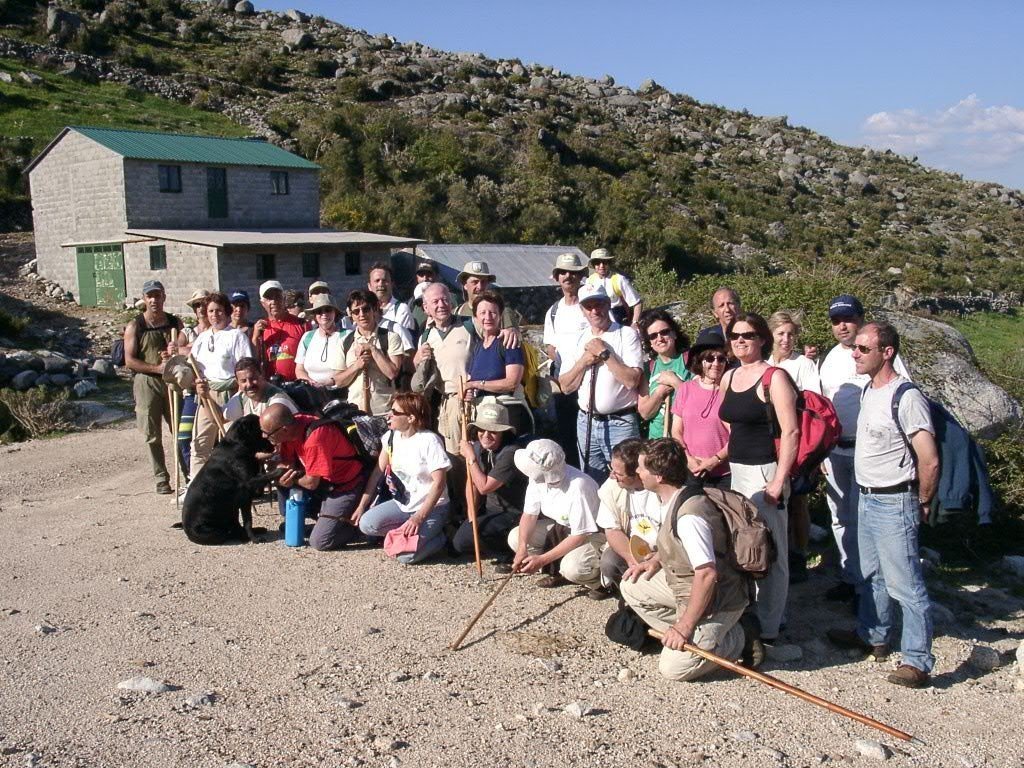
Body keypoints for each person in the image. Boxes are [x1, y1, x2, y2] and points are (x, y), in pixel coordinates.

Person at [826, 321, 938, 689]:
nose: (854, 353)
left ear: (886, 352)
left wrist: (922, 501)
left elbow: (929, 458)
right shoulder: (868, 391)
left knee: (905, 582)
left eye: (862, 349)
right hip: (867, 496)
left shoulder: (906, 397)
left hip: (894, 499)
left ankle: (917, 660)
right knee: (870, 575)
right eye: (854, 347)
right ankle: (873, 635)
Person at [621, 438, 752, 681]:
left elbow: (707, 573)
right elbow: (682, 546)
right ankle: (695, 634)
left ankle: (734, 639)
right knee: (632, 584)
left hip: (717, 600)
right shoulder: (675, 498)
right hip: (683, 587)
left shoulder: (689, 517)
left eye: (641, 467)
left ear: (658, 476)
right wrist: (658, 559)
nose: (637, 472)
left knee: (673, 669)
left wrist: (684, 627)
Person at [818, 294, 911, 603]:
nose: (842, 326)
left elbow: (902, 399)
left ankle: (873, 588)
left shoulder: (883, 356)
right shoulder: (830, 358)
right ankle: (851, 577)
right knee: (840, 517)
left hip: (870, 453)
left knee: (867, 521)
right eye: (835, 321)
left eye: (847, 319)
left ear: (860, 318)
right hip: (835, 450)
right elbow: (822, 406)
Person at [718, 312, 799, 643]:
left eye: (748, 335)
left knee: (773, 551)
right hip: (737, 471)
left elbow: (791, 431)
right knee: (744, 546)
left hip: (766, 470)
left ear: (762, 339)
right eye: (735, 335)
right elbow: (729, 421)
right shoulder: (729, 377)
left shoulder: (774, 378)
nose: (740, 341)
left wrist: (779, 481)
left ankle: (770, 625)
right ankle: (751, 611)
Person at [557, 284, 643, 484]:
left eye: (599, 304)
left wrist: (605, 354)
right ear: (582, 310)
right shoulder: (578, 340)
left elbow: (632, 381)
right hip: (586, 422)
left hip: (620, 423)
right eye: (589, 306)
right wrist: (585, 361)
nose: (595, 311)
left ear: (608, 305)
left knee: (628, 481)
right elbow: (566, 386)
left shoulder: (626, 335)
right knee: (590, 481)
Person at [352, 392, 451, 564]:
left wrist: (419, 517)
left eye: (395, 412)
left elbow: (439, 483)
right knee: (367, 524)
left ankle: (441, 537)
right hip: (403, 503)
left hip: (431, 507)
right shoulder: (390, 437)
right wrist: (362, 505)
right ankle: (406, 536)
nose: (389, 416)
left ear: (411, 418)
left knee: (406, 557)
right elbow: (378, 472)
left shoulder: (429, 441)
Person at [259, 403, 367, 551]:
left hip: (345, 486)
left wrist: (292, 478)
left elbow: (311, 483)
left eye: (267, 433)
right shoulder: (292, 429)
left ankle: (360, 530)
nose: (264, 436)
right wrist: (282, 474)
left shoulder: (315, 438)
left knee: (320, 541)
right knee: (283, 484)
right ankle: (325, 520)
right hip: (324, 484)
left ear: (284, 429)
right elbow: (286, 464)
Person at [509, 439, 606, 595]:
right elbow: (529, 514)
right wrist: (522, 549)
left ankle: (598, 582)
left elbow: (579, 535)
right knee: (515, 537)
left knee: (573, 568)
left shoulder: (579, 486)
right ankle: (558, 570)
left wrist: (542, 559)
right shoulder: (536, 478)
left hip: (592, 534)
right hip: (560, 527)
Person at [767, 310, 822, 584]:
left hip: (796, 439)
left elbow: (814, 404)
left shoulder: (804, 365)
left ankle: (799, 553)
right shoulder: (763, 362)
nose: (786, 339)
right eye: (781, 334)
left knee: (798, 500)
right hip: (767, 440)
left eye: (791, 334)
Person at [123, 279, 187, 494]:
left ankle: (187, 474)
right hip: (146, 382)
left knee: (180, 430)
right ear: (143, 299)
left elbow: (184, 347)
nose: (153, 300)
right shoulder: (136, 325)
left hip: (173, 382)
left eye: (157, 295)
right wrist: (157, 368)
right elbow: (130, 360)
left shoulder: (174, 322)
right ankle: (161, 478)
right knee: (152, 434)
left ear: (164, 297)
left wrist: (175, 350)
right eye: (149, 296)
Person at [190, 292, 254, 479]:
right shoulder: (202, 338)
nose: (214, 315)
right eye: (210, 311)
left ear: (227, 312)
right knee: (200, 443)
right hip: (206, 394)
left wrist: (242, 394)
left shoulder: (236, 336)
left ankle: (238, 484)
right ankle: (196, 485)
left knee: (232, 443)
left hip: (231, 393)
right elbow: (193, 365)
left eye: (218, 310)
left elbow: (245, 366)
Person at [455, 399, 527, 559]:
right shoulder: (477, 448)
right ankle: (492, 543)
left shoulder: (511, 453)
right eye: (482, 429)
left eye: (493, 431)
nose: (486, 435)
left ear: (504, 432)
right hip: (491, 510)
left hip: (514, 514)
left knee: (469, 537)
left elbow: (484, 487)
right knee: (460, 541)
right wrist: (471, 513)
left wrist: (471, 458)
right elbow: (472, 482)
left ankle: (508, 554)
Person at [595, 438, 664, 592]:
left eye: (618, 473)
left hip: (663, 551)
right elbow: (612, 530)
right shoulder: (611, 488)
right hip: (635, 550)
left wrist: (658, 557)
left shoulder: (662, 489)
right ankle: (629, 597)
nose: (612, 475)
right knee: (609, 562)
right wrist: (632, 560)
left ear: (637, 474)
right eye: (611, 469)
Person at [542, 252, 590, 468]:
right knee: (567, 436)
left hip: (590, 378)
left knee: (590, 438)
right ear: (557, 277)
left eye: (573, 272)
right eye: (563, 272)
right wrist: (566, 361)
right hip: (564, 383)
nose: (568, 276)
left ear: (581, 276)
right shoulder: (553, 311)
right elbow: (549, 345)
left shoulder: (592, 306)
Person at [465, 291, 531, 437]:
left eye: (493, 313)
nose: (487, 317)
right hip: (484, 414)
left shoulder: (509, 342)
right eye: (482, 313)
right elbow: (472, 380)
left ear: (500, 315)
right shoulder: (478, 347)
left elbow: (511, 383)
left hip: (508, 414)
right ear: (475, 317)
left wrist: (476, 384)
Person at [670, 329, 731, 488]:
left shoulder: (730, 391)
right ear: (700, 361)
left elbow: (737, 435)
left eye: (721, 359)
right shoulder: (686, 389)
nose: (716, 364)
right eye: (710, 358)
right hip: (690, 469)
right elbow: (676, 430)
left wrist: (714, 460)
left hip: (723, 473)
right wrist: (688, 458)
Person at [335, 290, 404, 416]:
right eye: (356, 311)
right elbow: (338, 381)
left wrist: (373, 349)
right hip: (355, 413)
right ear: (351, 314)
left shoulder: (390, 337)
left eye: (366, 309)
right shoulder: (345, 342)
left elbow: (392, 373)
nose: (361, 315)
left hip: (384, 411)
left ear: (374, 309)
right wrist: (357, 366)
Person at [636, 309, 692, 439]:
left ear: (674, 334)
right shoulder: (647, 369)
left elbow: (699, 402)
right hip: (657, 441)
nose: (659, 338)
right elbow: (645, 413)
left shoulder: (690, 361)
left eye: (664, 332)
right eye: (653, 336)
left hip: (685, 438)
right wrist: (660, 392)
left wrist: (676, 383)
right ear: (649, 341)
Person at [252, 280, 306, 381]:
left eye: (277, 297)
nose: (274, 301)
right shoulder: (261, 328)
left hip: (297, 384)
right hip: (271, 386)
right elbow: (255, 361)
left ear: (283, 298)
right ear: (262, 303)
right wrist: (255, 338)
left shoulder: (301, 324)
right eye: (269, 298)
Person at [295, 294, 349, 389]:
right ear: (315, 315)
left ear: (335, 313)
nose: (324, 314)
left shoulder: (347, 336)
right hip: (312, 395)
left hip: (340, 393)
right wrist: (311, 383)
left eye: (328, 310)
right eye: (319, 311)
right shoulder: (307, 337)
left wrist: (327, 384)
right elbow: (299, 369)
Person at [222, 357, 298, 424]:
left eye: (253, 378)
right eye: (243, 381)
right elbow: (221, 418)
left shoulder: (277, 402)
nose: (249, 384)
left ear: (262, 374)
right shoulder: (242, 398)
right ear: (237, 382)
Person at [583, 247, 643, 327]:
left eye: (605, 262)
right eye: (597, 263)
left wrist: (635, 322)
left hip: (618, 318)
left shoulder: (619, 279)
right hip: (598, 318)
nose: (601, 266)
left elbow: (637, 303)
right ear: (594, 265)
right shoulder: (589, 280)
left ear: (609, 263)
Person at [455, 260, 521, 327]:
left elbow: (513, 336)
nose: (480, 287)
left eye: (483, 282)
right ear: (465, 285)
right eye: (475, 282)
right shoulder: (456, 313)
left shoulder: (503, 313)